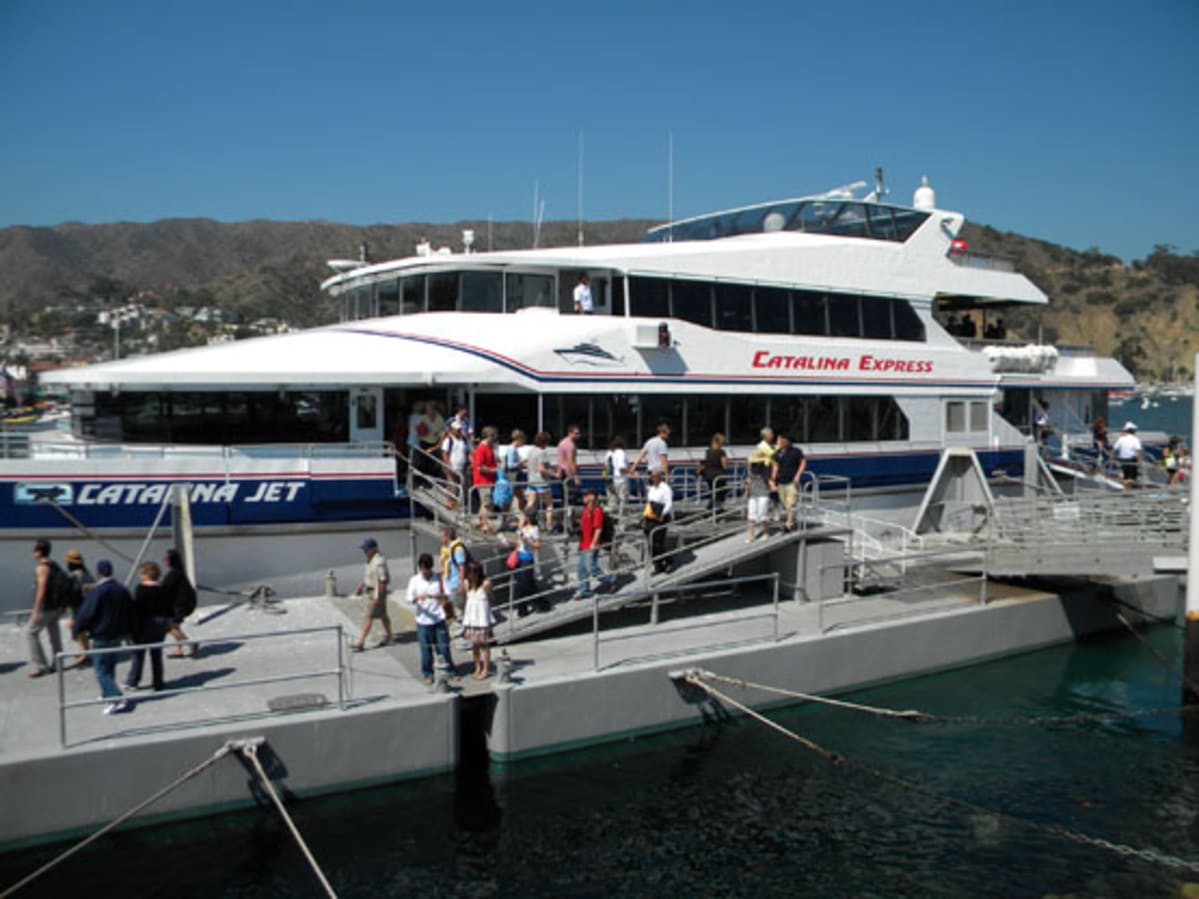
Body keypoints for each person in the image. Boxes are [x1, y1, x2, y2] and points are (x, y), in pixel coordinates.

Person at [72, 558, 133, 715]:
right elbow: (130, 611)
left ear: (98, 573)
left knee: (100, 669)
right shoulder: (122, 589)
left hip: (101, 634)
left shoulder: (97, 591)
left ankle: (116, 697)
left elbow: (86, 613)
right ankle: (107, 693)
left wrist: (77, 630)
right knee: (110, 666)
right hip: (117, 634)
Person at [406, 552, 455, 685]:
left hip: (439, 618)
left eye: (427, 570)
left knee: (443, 647)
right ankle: (428, 673)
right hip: (423, 620)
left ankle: (449, 671)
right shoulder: (414, 580)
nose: (425, 573)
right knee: (426, 649)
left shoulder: (439, 578)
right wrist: (418, 598)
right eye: (423, 570)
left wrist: (441, 596)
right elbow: (409, 598)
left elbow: (449, 594)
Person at [126, 561, 170, 693]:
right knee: (156, 654)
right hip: (160, 622)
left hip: (145, 623)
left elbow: (137, 609)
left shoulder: (141, 589)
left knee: (139, 653)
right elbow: (167, 608)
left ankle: (133, 681)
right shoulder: (162, 589)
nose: (140, 576)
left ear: (146, 574)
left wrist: (132, 628)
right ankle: (158, 682)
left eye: (141, 573)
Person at [26, 538, 65, 677]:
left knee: (30, 633)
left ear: (39, 552)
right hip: (57, 607)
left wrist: (36, 609)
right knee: (54, 635)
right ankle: (59, 663)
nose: (33, 553)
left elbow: (41, 588)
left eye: (34, 550)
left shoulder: (41, 568)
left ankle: (41, 665)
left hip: (46, 607)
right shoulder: (55, 565)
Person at [350, 537, 393, 651]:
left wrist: (378, 597)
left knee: (369, 616)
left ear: (373, 549)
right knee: (383, 615)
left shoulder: (379, 562)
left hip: (377, 592)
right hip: (371, 591)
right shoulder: (370, 560)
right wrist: (361, 585)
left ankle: (361, 641)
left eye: (366, 549)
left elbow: (383, 581)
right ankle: (389, 636)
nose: (364, 551)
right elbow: (369, 576)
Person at [575, 486, 612, 600]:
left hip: (591, 544)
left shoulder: (596, 510)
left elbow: (598, 528)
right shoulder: (586, 509)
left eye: (585, 495)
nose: (583, 497)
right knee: (581, 569)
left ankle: (611, 580)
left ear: (592, 496)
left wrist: (593, 543)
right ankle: (584, 590)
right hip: (583, 544)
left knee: (591, 568)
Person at [461, 560, 495, 680]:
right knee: (474, 644)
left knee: (484, 644)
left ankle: (485, 669)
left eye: (473, 573)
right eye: (469, 573)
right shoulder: (466, 584)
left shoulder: (486, 584)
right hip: (471, 618)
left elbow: (490, 598)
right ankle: (477, 667)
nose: (471, 576)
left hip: (482, 619)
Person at [161, 548, 198, 658]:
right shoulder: (178, 572)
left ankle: (190, 643)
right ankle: (179, 649)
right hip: (183, 604)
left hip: (180, 605)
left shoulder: (173, 574)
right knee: (176, 627)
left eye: (166, 559)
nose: (164, 561)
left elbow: (164, 589)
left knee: (169, 627)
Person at [505, 510, 542, 617]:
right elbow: (518, 542)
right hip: (519, 557)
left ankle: (523, 610)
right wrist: (510, 541)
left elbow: (538, 545)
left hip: (527, 558)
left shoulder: (534, 530)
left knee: (523, 585)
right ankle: (539, 604)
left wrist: (528, 542)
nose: (521, 519)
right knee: (523, 584)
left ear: (528, 517)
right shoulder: (522, 529)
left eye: (523, 517)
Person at [771, 434, 807, 532]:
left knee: (791, 503)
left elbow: (803, 463)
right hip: (781, 481)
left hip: (791, 481)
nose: (781, 442)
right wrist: (773, 479)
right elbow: (775, 465)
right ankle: (789, 520)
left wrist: (798, 475)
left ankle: (789, 524)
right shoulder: (778, 453)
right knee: (784, 503)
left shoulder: (796, 451)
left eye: (783, 440)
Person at [64, 548, 93, 667]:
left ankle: (84, 653)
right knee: (83, 632)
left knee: (78, 632)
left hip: (77, 608)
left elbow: (73, 595)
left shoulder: (74, 576)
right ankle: (86, 652)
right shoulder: (87, 574)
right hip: (87, 606)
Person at [643, 469, 674, 573]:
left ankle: (668, 561)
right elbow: (649, 503)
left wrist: (661, 515)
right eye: (652, 477)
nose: (653, 478)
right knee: (650, 543)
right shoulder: (652, 489)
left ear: (660, 477)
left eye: (655, 476)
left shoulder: (665, 489)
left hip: (660, 517)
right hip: (650, 517)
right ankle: (657, 564)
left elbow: (669, 504)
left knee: (658, 543)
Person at [745, 433, 775, 542]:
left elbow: (768, 477)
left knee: (763, 512)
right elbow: (749, 479)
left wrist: (772, 485)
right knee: (751, 514)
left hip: (763, 491)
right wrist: (747, 490)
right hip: (754, 491)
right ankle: (751, 535)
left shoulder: (766, 465)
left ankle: (765, 533)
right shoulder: (752, 467)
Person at [524, 431, 554, 532]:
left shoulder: (531, 451)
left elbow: (528, 467)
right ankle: (549, 526)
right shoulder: (542, 452)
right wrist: (553, 473)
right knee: (549, 505)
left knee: (530, 504)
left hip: (532, 481)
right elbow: (541, 469)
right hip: (542, 482)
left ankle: (524, 524)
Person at [439, 525, 469, 621]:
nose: (441, 538)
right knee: (451, 605)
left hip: (455, 582)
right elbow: (447, 565)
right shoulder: (446, 548)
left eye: (442, 536)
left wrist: (461, 584)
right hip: (448, 581)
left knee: (459, 605)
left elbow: (461, 566)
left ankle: (466, 622)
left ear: (447, 536)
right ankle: (456, 620)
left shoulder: (457, 549)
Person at [472, 426, 499, 532]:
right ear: (489, 436)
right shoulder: (481, 448)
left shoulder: (489, 447)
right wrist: (494, 471)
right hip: (483, 481)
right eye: (494, 435)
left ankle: (480, 522)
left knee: (485, 503)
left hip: (489, 480)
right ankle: (485, 525)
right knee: (487, 504)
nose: (496, 438)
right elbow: (480, 467)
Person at [441, 419, 470, 507]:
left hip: (462, 467)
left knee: (463, 485)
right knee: (452, 485)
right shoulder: (448, 440)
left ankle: (458, 503)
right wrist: (449, 465)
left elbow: (467, 452)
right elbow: (444, 453)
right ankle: (450, 502)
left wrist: (471, 462)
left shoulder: (464, 440)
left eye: (460, 429)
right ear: (452, 430)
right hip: (451, 466)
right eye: (457, 430)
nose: (459, 431)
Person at [700, 433, 729, 511]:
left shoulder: (708, 451)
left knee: (712, 492)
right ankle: (718, 511)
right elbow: (725, 465)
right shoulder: (721, 452)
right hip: (719, 476)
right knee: (720, 494)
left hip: (709, 475)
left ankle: (710, 508)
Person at [604, 437, 630, 515]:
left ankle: (611, 521)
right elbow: (621, 468)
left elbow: (606, 467)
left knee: (612, 503)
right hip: (621, 480)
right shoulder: (621, 453)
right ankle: (622, 523)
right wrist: (633, 472)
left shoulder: (609, 453)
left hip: (610, 480)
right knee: (623, 502)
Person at [1112, 421, 1143, 487]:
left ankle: (1125, 486)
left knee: (1126, 476)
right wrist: (1139, 461)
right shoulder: (1135, 439)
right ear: (1132, 431)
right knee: (1132, 478)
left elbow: (1114, 449)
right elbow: (1138, 451)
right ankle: (1129, 487)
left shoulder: (1121, 438)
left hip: (1122, 460)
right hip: (1131, 460)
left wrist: (1113, 458)